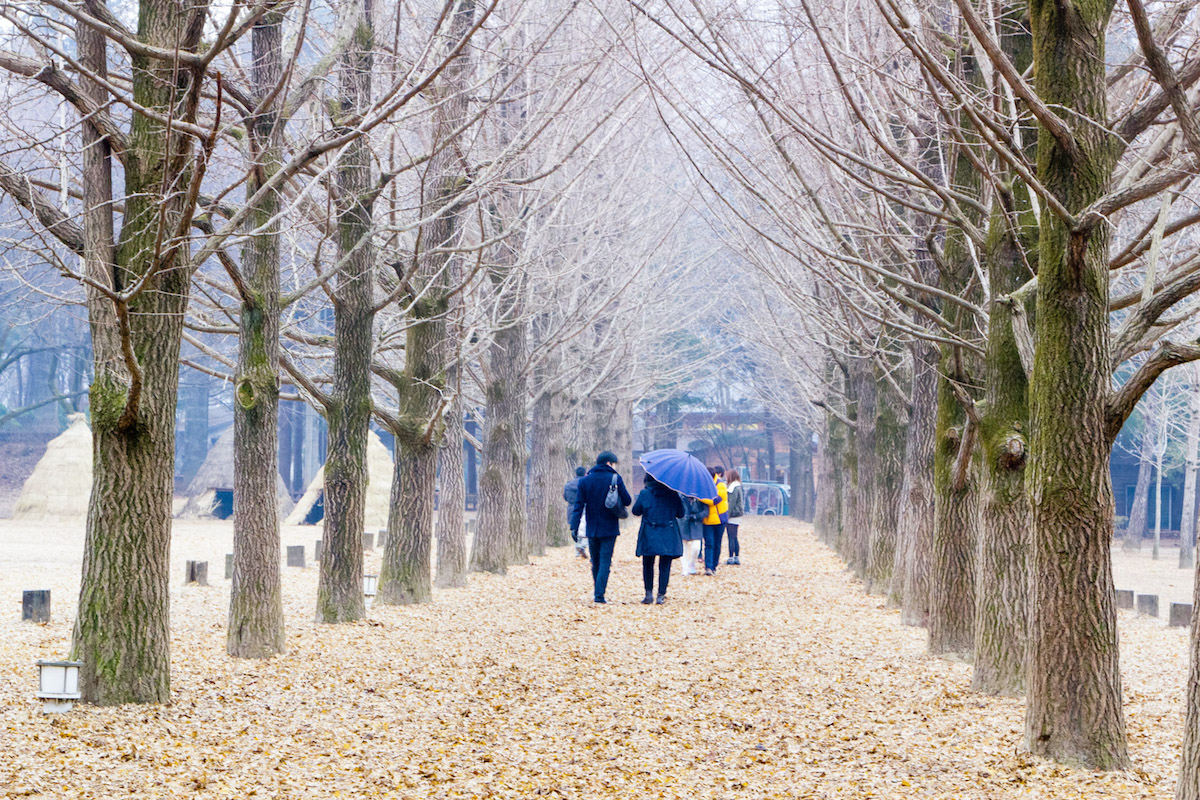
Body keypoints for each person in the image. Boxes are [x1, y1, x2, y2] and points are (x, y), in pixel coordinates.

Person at [570, 451, 631, 603]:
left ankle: (597, 592)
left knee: (595, 561)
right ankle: (599, 595)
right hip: (609, 527)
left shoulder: (585, 481)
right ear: (609, 463)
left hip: (592, 527)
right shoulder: (615, 478)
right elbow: (628, 500)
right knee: (605, 561)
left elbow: (578, 505)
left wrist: (574, 526)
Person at [632, 475, 685, 604]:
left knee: (648, 564)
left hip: (649, 532)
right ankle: (661, 595)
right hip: (668, 532)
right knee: (665, 565)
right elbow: (681, 513)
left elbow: (636, 511)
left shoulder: (645, 493)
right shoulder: (673, 494)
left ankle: (648, 593)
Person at [698, 466, 728, 575]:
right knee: (709, 543)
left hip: (720, 519)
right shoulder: (704, 484)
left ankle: (714, 565)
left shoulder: (721, 485)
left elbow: (715, 500)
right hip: (707, 520)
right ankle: (709, 567)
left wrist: (700, 498)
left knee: (717, 543)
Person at [563, 466, 588, 558]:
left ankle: (577, 552)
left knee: (575, 530)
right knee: (586, 529)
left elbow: (565, 497)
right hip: (584, 508)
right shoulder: (586, 484)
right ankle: (582, 546)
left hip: (571, 508)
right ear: (585, 473)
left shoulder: (568, 485)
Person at [677, 495, 706, 575]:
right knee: (683, 548)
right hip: (683, 524)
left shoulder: (700, 497)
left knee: (696, 547)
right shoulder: (680, 497)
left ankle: (691, 563)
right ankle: (685, 568)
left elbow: (706, 511)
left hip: (696, 524)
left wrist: (696, 516)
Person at [725, 469, 744, 565]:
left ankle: (731, 558)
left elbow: (731, 503)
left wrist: (726, 516)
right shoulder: (738, 486)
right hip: (737, 514)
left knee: (731, 537)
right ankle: (736, 557)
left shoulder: (733, 488)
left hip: (733, 515)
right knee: (734, 537)